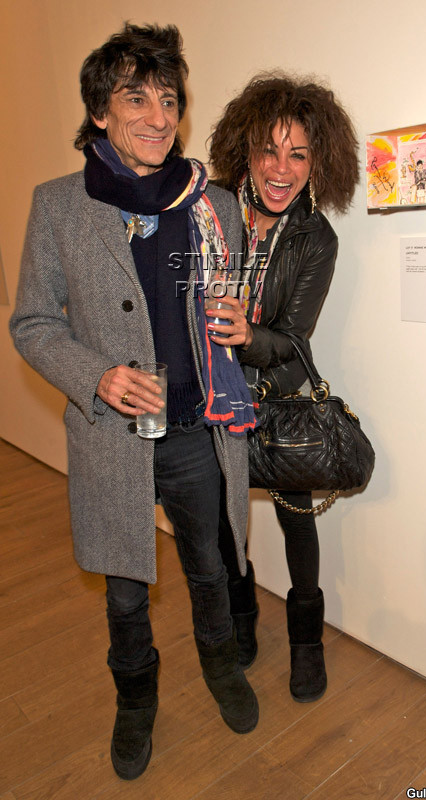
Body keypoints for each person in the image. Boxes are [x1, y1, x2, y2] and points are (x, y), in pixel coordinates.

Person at [10, 23, 259, 782]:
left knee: (210, 567)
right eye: (136, 99)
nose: (158, 117)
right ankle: (136, 700)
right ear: (100, 112)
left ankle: (221, 667)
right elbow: (32, 322)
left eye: (169, 100)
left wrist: (237, 322)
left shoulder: (213, 204)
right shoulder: (59, 206)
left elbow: (226, 307)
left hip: (195, 431)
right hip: (110, 438)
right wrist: (98, 376)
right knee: (124, 591)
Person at [208, 74, 360, 703]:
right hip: (211, 396)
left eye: (298, 154)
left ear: (318, 163)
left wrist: (248, 335)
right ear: (244, 149)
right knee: (226, 521)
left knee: (298, 523)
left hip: (278, 397)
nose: (281, 168)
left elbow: (294, 343)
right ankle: (241, 621)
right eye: (269, 150)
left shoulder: (316, 238)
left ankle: (306, 643)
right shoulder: (210, 209)